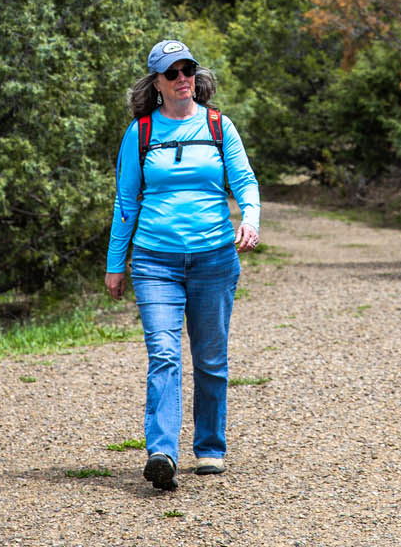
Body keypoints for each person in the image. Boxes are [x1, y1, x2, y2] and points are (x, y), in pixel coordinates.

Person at [104, 38, 260, 493]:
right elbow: (126, 201)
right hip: (155, 262)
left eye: (188, 69)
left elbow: (245, 181)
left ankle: (210, 448)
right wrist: (117, 263)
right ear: (156, 83)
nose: (182, 79)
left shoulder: (218, 125)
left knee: (211, 359)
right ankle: (163, 453)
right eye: (172, 73)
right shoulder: (141, 133)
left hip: (214, 259)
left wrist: (249, 219)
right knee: (165, 355)